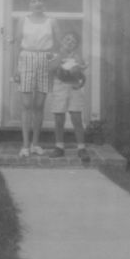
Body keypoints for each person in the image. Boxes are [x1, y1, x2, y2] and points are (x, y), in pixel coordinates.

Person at [13, 0, 60, 157]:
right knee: (26, 105)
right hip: (26, 59)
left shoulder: (52, 21)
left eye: (40, 0)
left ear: (44, 3)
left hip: (45, 60)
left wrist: (54, 63)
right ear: (29, 4)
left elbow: (58, 46)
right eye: (34, 0)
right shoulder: (22, 20)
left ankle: (35, 144)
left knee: (39, 105)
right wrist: (15, 68)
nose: (37, 3)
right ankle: (25, 146)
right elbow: (17, 44)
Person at [47, 30, 91, 163]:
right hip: (59, 87)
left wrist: (80, 82)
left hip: (73, 88)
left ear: (76, 45)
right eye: (67, 40)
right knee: (59, 118)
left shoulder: (77, 56)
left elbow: (81, 73)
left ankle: (81, 148)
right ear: (61, 41)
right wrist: (61, 56)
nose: (69, 43)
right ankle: (59, 146)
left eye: (73, 41)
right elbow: (51, 68)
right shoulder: (56, 55)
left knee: (77, 118)